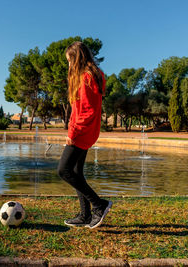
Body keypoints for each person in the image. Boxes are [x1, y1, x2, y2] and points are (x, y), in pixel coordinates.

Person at [57, 41, 112, 229]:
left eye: (69, 61)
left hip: (82, 131)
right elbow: (78, 109)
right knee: (75, 172)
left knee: (63, 170)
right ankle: (85, 215)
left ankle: (99, 205)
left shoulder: (87, 77)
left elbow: (88, 110)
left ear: (77, 58)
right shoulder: (86, 76)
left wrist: (72, 132)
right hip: (85, 130)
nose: (69, 65)